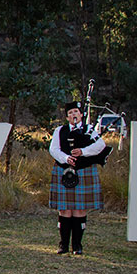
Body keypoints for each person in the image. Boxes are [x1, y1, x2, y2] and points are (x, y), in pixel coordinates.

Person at [49, 100, 107, 255]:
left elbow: (100, 146)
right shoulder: (60, 131)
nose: (73, 115)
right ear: (67, 117)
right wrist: (66, 158)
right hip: (64, 170)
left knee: (80, 210)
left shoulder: (89, 130)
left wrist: (83, 151)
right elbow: (53, 149)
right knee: (65, 210)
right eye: (70, 113)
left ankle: (77, 245)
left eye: (76, 112)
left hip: (84, 170)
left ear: (81, 114)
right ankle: (63, 245)